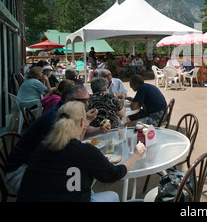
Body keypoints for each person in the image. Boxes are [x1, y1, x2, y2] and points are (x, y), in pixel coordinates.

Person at [17, 101, 147, 202]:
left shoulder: (42, 146)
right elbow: (115, 174)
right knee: (112, 195)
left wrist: (86, 121)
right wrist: (136, 154)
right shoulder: (85, 152)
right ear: (81, 124)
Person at [5, 85, 103, 194]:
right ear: (68, 101)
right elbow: (72, 151)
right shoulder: (55, 119)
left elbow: (74, 143)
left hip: (38, 166)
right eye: (82, 101)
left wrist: (98, 129)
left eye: (88, 100)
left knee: (79, 182)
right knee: (78, 184)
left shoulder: (63, 114)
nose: (87, 104)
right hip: (20, 172)